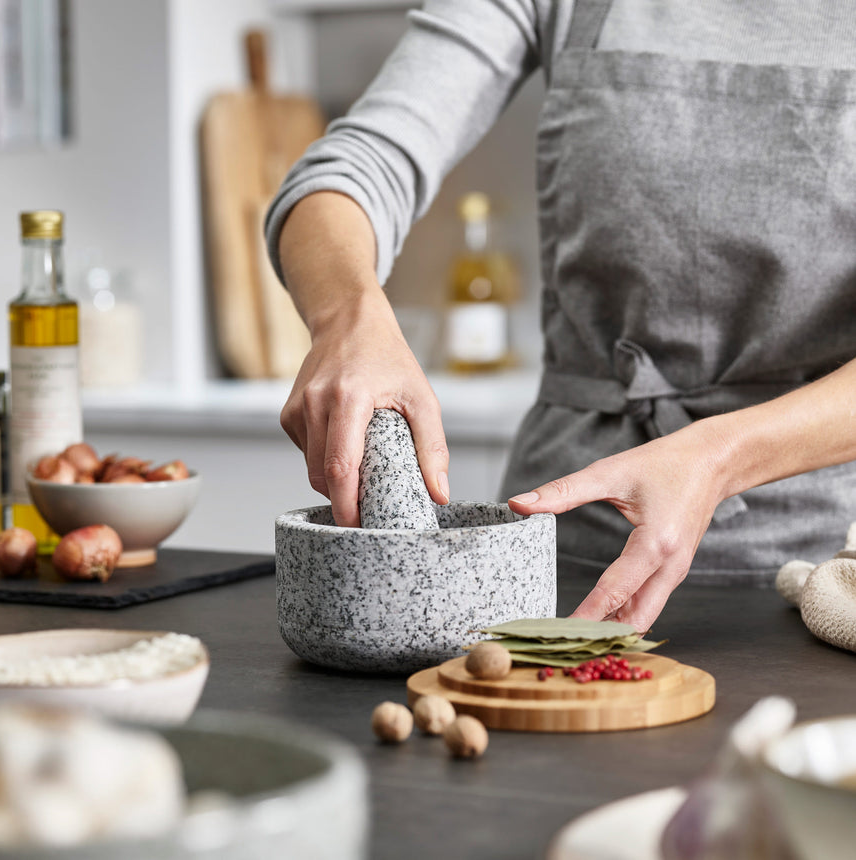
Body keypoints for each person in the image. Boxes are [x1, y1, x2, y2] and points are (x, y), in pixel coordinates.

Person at [265, 0, 856, 632]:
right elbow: (351, 169)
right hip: (552, 555)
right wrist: (349, 316)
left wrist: (717, 457)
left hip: (825, 572)